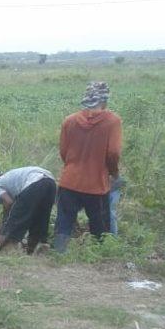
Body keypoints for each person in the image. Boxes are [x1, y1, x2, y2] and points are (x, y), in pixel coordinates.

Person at [53, 81, 122, 252]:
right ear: (105, 100)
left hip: (69, 182)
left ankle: (59, 255)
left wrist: (72, 166)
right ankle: (100, 257)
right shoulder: (113, 121)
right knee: (100, 227)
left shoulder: (69, 120)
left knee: (64, 222)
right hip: (96, 185)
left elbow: (63, 152)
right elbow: (113, 153)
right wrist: (113, 173)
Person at [0, 166, 57, 253]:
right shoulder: (10, 177)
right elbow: (9, 205)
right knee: (40, 219)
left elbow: (9, 203)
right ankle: (33, 251)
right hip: (51, 183)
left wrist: (4, 226)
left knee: (14, 222)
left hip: (35, 182)